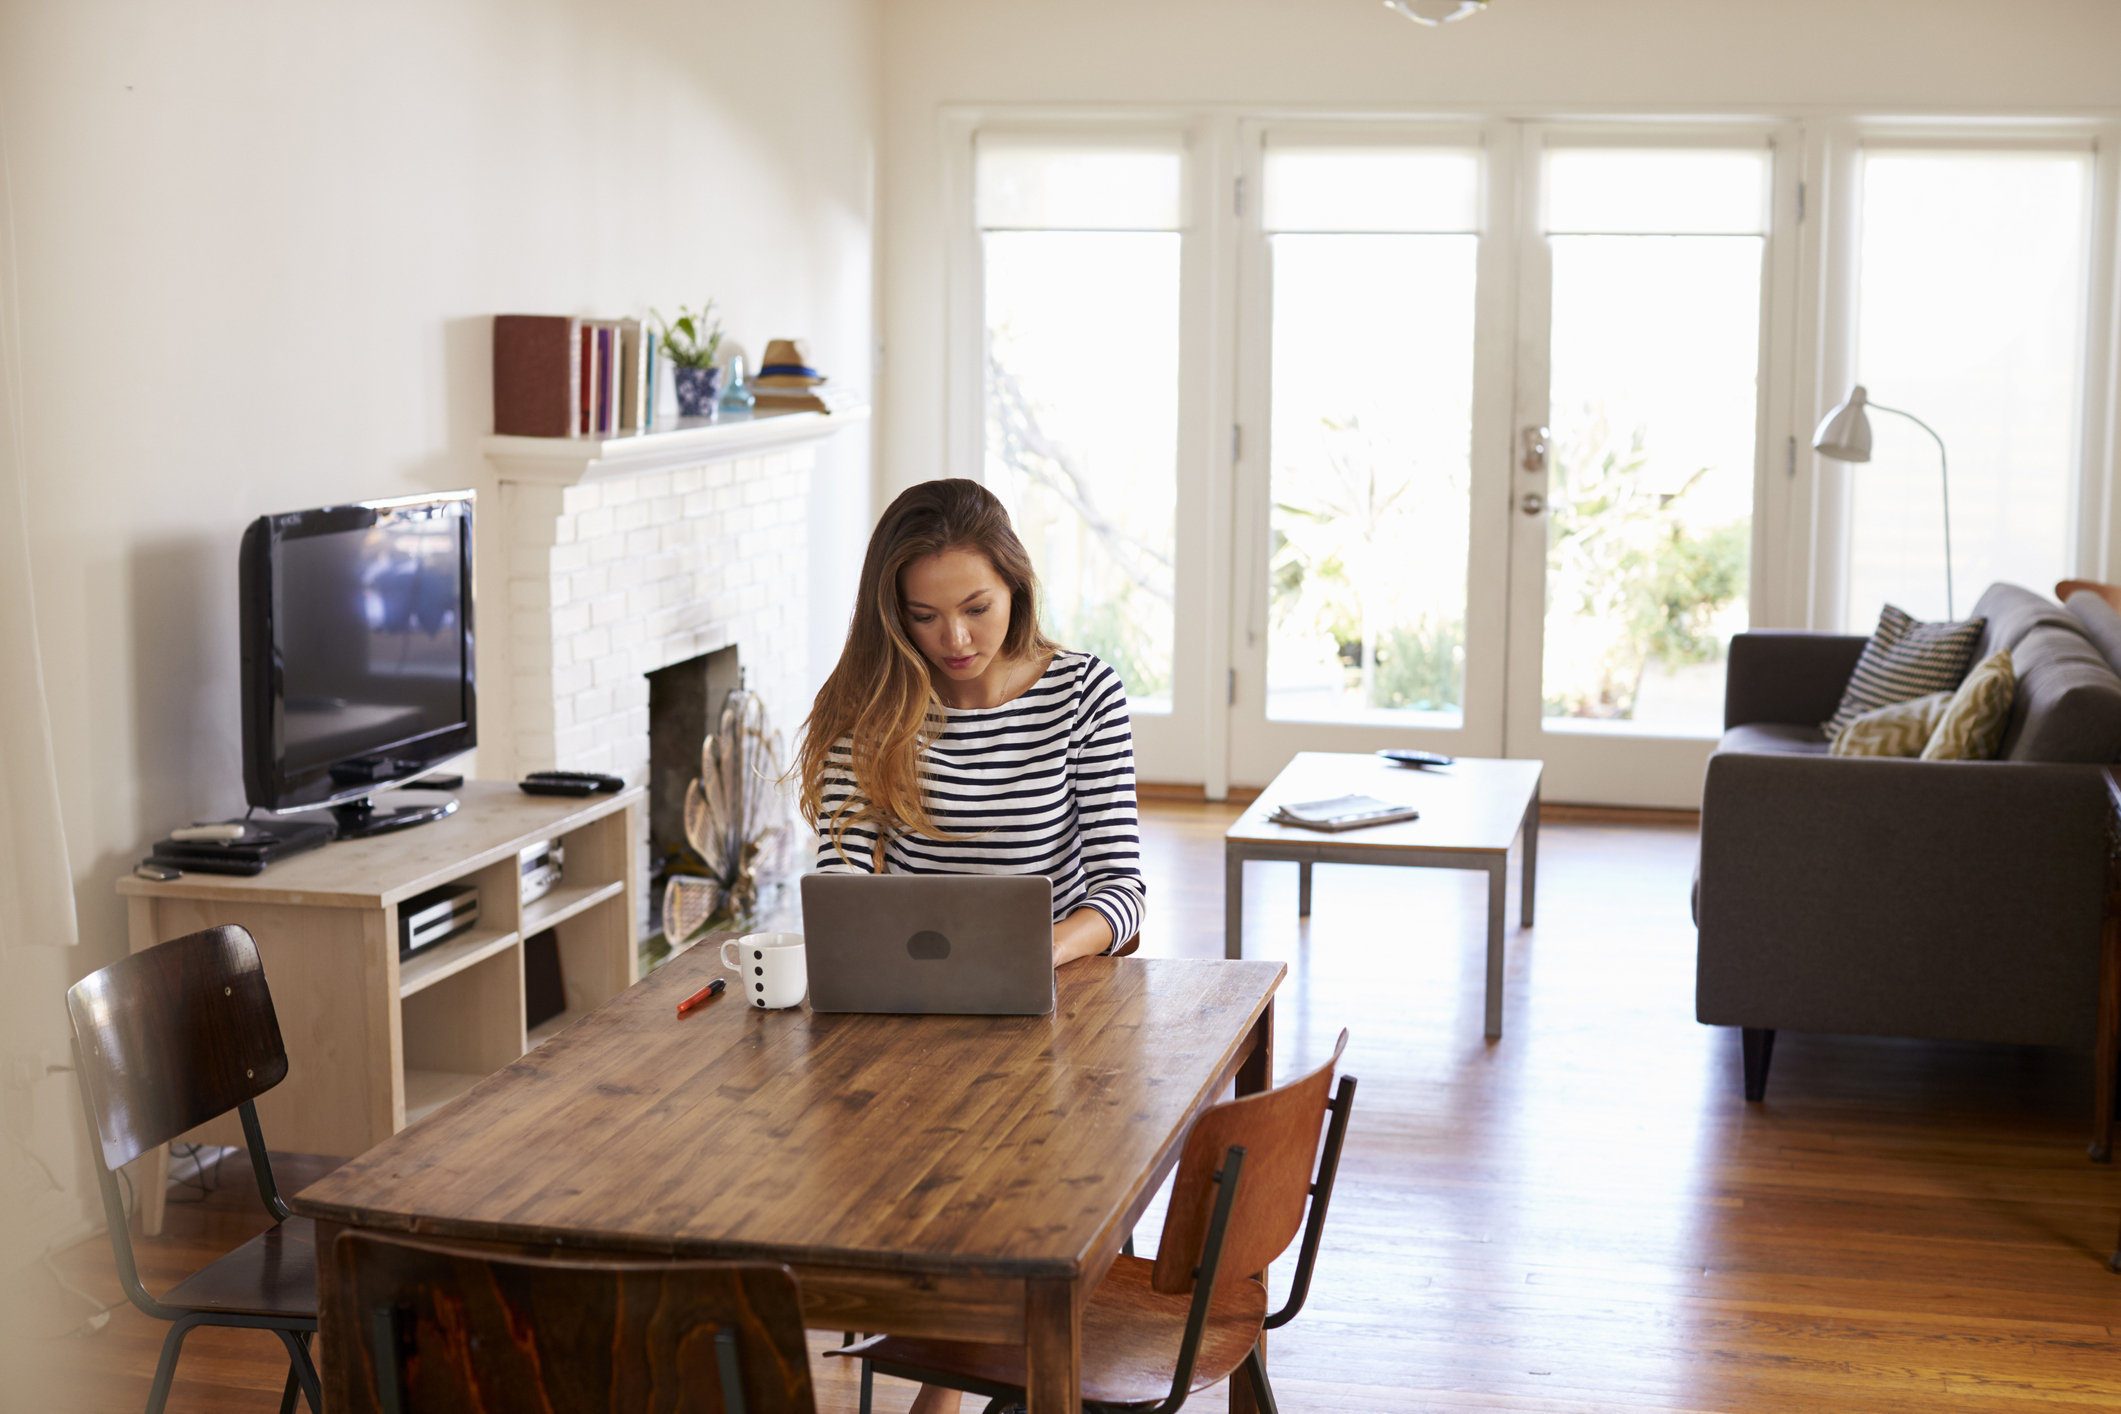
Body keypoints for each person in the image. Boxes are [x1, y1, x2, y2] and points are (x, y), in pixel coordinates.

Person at [796, 476, 1145, 971]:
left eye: (977, 608)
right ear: (895, 615)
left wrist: (1043, 949)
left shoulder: (1084, 692)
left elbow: (1123, 891)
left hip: (1052, 982)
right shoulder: (872, 706)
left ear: (1015, 587)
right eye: (924, 616)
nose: (956, 639)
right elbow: (840, 882)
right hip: (912, 976)